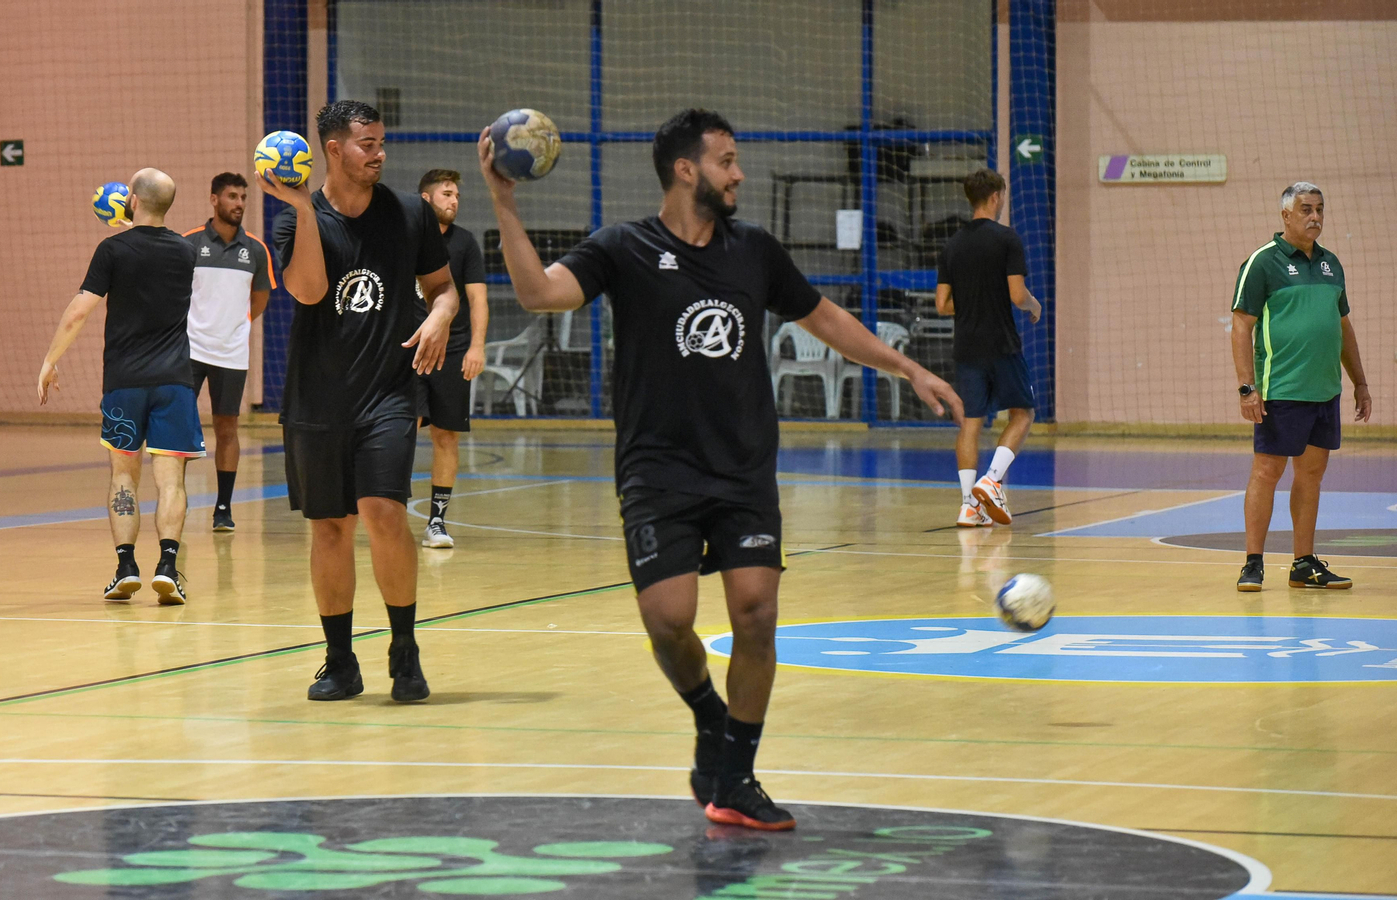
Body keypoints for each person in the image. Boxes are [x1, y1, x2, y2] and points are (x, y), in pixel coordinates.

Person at [478, 109, 961, 830]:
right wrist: (504, 202)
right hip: (657, 469)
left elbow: (825, 318)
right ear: (685, 170)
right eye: (727, 161)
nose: (738, 175)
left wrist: (906, 366)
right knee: (670, 621)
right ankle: (710, 717)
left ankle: (735, 776)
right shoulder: (624, 247)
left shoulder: (754, 251)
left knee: (756, 616)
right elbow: (539, 295)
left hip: (742, 467)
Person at [258, 99, 460, 703]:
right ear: (333, 150)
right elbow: (310, 290)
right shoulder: (295, 220)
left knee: (384, 513)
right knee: (330, 529)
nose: (379, 153)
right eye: (366, 144)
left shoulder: (409, 215)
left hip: (390, 391)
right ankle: (340, 660)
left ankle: (405, 648)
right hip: (317, 399)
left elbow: (442, 289)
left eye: (379, 142)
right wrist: (300, 207)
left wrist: (440, 319)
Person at [37, 168, 202, 605]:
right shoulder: (187, 251)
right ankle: (167, 566)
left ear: (131, 199)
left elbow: (79, 311)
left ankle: (126, 566)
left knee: (123, 477)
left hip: (125, 383)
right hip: (174, 383)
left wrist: (50, 361)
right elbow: (153, 253)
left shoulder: (112, 250)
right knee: (171, 482)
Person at [1230, 182, 1371, 592]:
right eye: (1306, 209)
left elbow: (1342, 325)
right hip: (1281, 389)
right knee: (1267, 471)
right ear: (1286, 216)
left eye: (1320, 209)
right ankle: (1252, 563)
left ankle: (1304, 563)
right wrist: (1246, 388)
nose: (1315, 217)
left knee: (1311, 475)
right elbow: (1242, 324)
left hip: (1325, 390)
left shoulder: (1332, 264)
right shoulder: (1262, 263)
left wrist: (1359, 381)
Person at [934, 168, 1042, 528]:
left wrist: (971, 306)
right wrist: (1034, 305)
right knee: (1023, 413)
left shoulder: (952, 244)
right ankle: (992, 480)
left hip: (966, 345)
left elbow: (942, 304)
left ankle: (969, 505)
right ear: (995, 197)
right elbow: (1016, 294)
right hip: (1001, 343)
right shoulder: (1006, 239)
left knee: (971, 422)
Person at [182, 172, 275, 532]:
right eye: (232, 196)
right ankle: (180, 497)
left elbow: (261, 297)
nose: (239, 204)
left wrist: (237, 323)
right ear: (214, 199)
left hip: (232, 354)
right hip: (189, 351)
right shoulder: (188, 243)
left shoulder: (255, 249)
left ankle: (223, 507)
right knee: (181, 428)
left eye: (243, 198)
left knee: (227, 428)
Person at [412, 168, 489, 549]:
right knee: (399, 429)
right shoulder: (404, 238)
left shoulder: (465, 243)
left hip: (452, 352)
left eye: (456, 194)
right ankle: (388, 511)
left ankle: (436, 522)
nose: (454, 200)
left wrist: (477, 346)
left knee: (446, 436)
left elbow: (477, 299)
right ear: (426, 199)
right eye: (446, 194)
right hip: (406, 350)